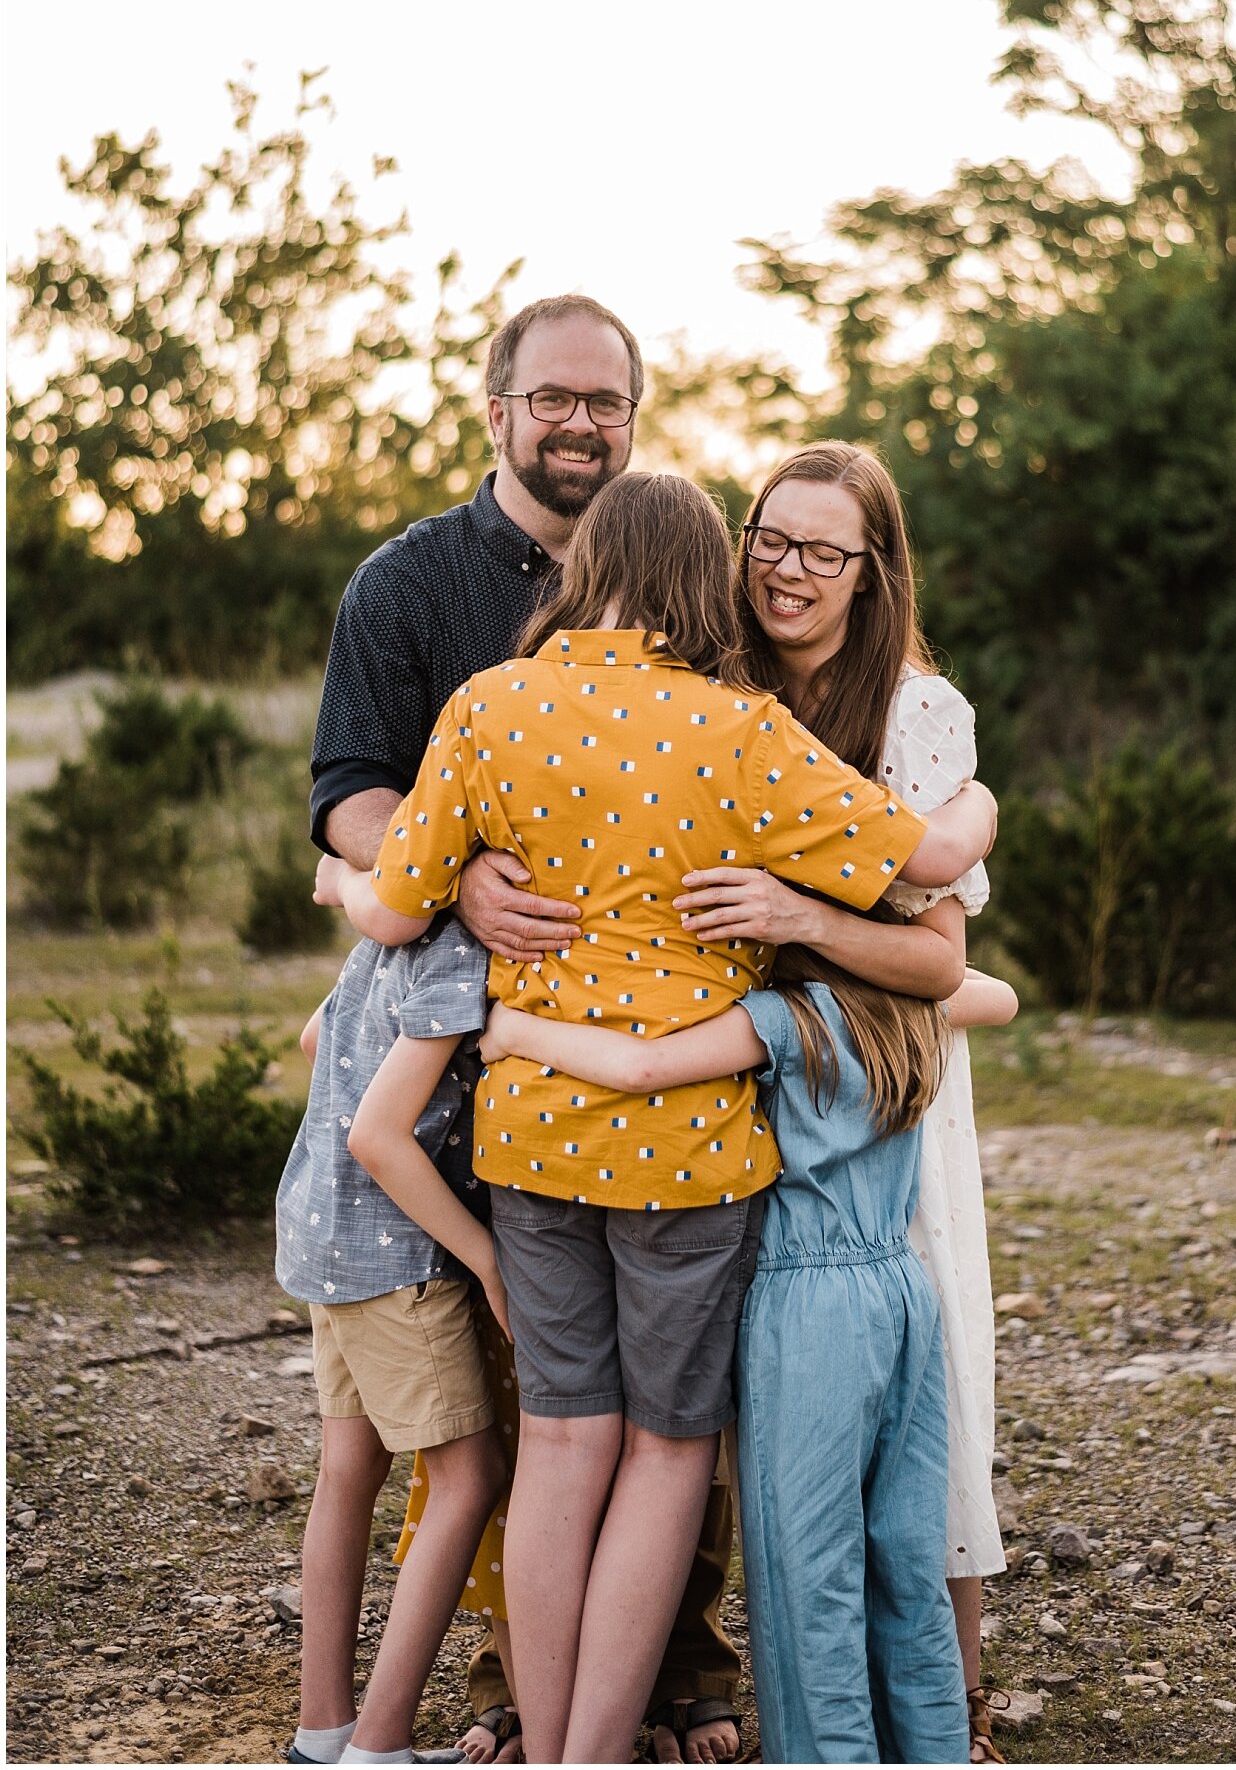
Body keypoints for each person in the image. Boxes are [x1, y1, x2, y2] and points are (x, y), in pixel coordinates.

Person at [316, 470, 996, 1765]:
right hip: (691, 1156)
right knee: (670, 1458)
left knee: (562, 1450)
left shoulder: (488, 709)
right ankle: (591, 1753)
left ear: (591, 568)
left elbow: (396, 910)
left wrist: (360, 878)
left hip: (530, 1141)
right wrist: (979, 811)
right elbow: (925, 864)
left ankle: (554, 1738)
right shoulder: (740, 731)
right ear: (705, 578)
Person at [311, 292, 746, 1762]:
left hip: (670, 1043)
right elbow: (352, 795)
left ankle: (677, 1657)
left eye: (606, 403)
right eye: (553, 398)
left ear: (635, 417)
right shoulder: (411, 584)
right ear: (495, 407)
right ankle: (525, 1686)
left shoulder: (696, 591)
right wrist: (458, 875)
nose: (580, 424)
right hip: (478, 1044)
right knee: (535, 1377)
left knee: (672, 1384)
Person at [662, 442, 1015, 1762]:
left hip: (876, 1091)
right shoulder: (712, 692)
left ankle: (944, 1702)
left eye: (823, 549)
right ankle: (721, 1683)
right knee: (752, 1415)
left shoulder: (918, 712)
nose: (787, 569)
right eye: (769, 536)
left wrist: (802, 911)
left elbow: (940, 963)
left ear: (876, 572)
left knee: (924, 1395)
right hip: (728, 1069)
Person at [479, 937, 1017, 1763]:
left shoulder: (783, 1019)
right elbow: (998, 995)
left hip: (809, 1310)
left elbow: (643, 1068)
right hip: (903, 1293)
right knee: (906, 1550)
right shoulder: (911, 1011)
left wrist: (519, 1031)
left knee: (810, 1567)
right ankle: (934, 1745)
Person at [274, 916, 508, 1767]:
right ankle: (379, 1745)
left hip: (320, 1235)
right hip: (397, 1255)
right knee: (469, 1476)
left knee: (348, 1472)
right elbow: (379, 1137)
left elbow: (313, 1038)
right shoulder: (460, 950)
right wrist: (484, 1257)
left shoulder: (391, 931)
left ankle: (322, 1731)